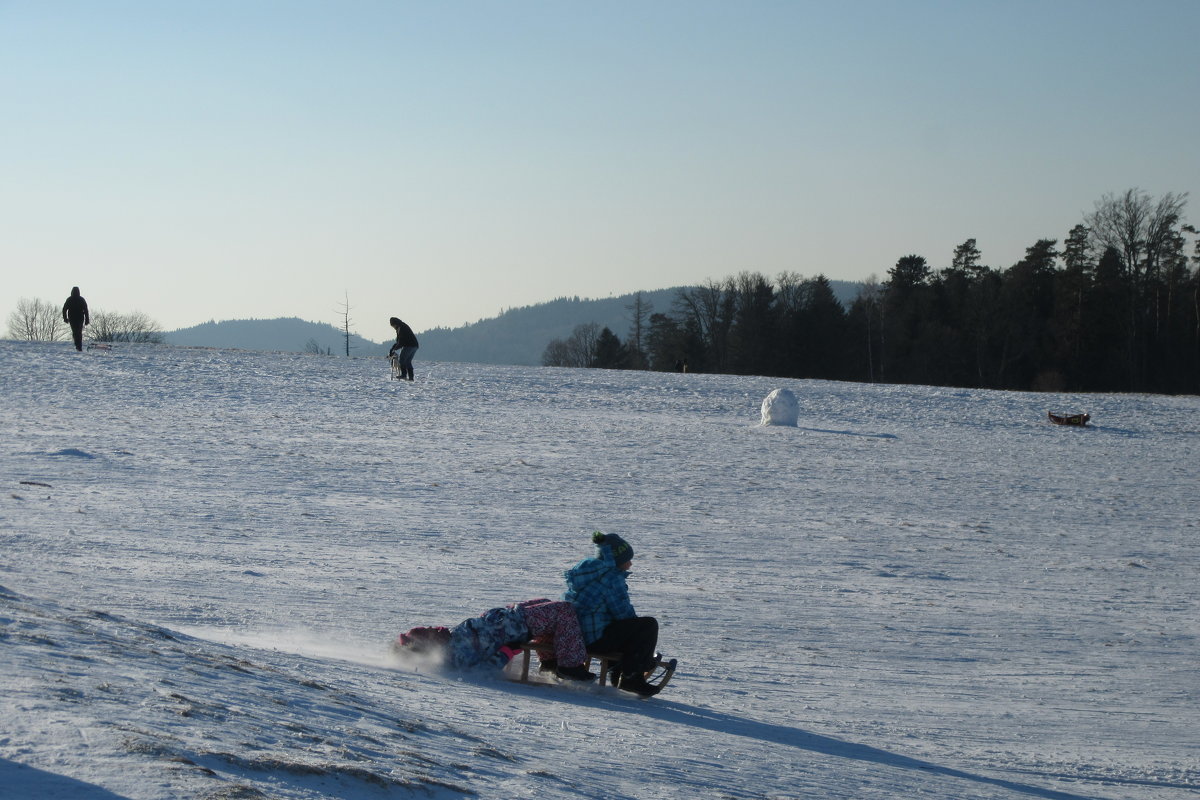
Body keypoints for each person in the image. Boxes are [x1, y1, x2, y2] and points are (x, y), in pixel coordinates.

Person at [392, 598, 596, 681]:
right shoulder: (457, 655)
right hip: (518, 626)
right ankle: (569, 665)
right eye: (429, 632)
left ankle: (550, 662)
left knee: (547, 603)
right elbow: (483, 669)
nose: (434, 628)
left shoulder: (452, 640)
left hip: (511, 617)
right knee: (565, 609)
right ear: (428, 645)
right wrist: (508, 650)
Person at [563, 531, 662, 696]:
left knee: (620, 629)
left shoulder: (589, 573)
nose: (630, 564)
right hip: (596, 639)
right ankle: (632, 676)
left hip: (578, 634)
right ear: (616, 561)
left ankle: (618, 671)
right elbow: (623, 613)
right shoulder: (611, 579)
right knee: (647, 625)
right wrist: (642, 643)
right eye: (627, 560)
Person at [62, 287, 90, 352]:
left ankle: (78, 345)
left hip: (73, 318)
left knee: (75, 332)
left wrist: (65, 318)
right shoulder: (81, 299)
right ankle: (78, 345)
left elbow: (64, 309)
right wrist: (87, 320)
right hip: (79, 318)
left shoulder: (70, 299)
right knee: (78, 332)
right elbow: (86, 310)